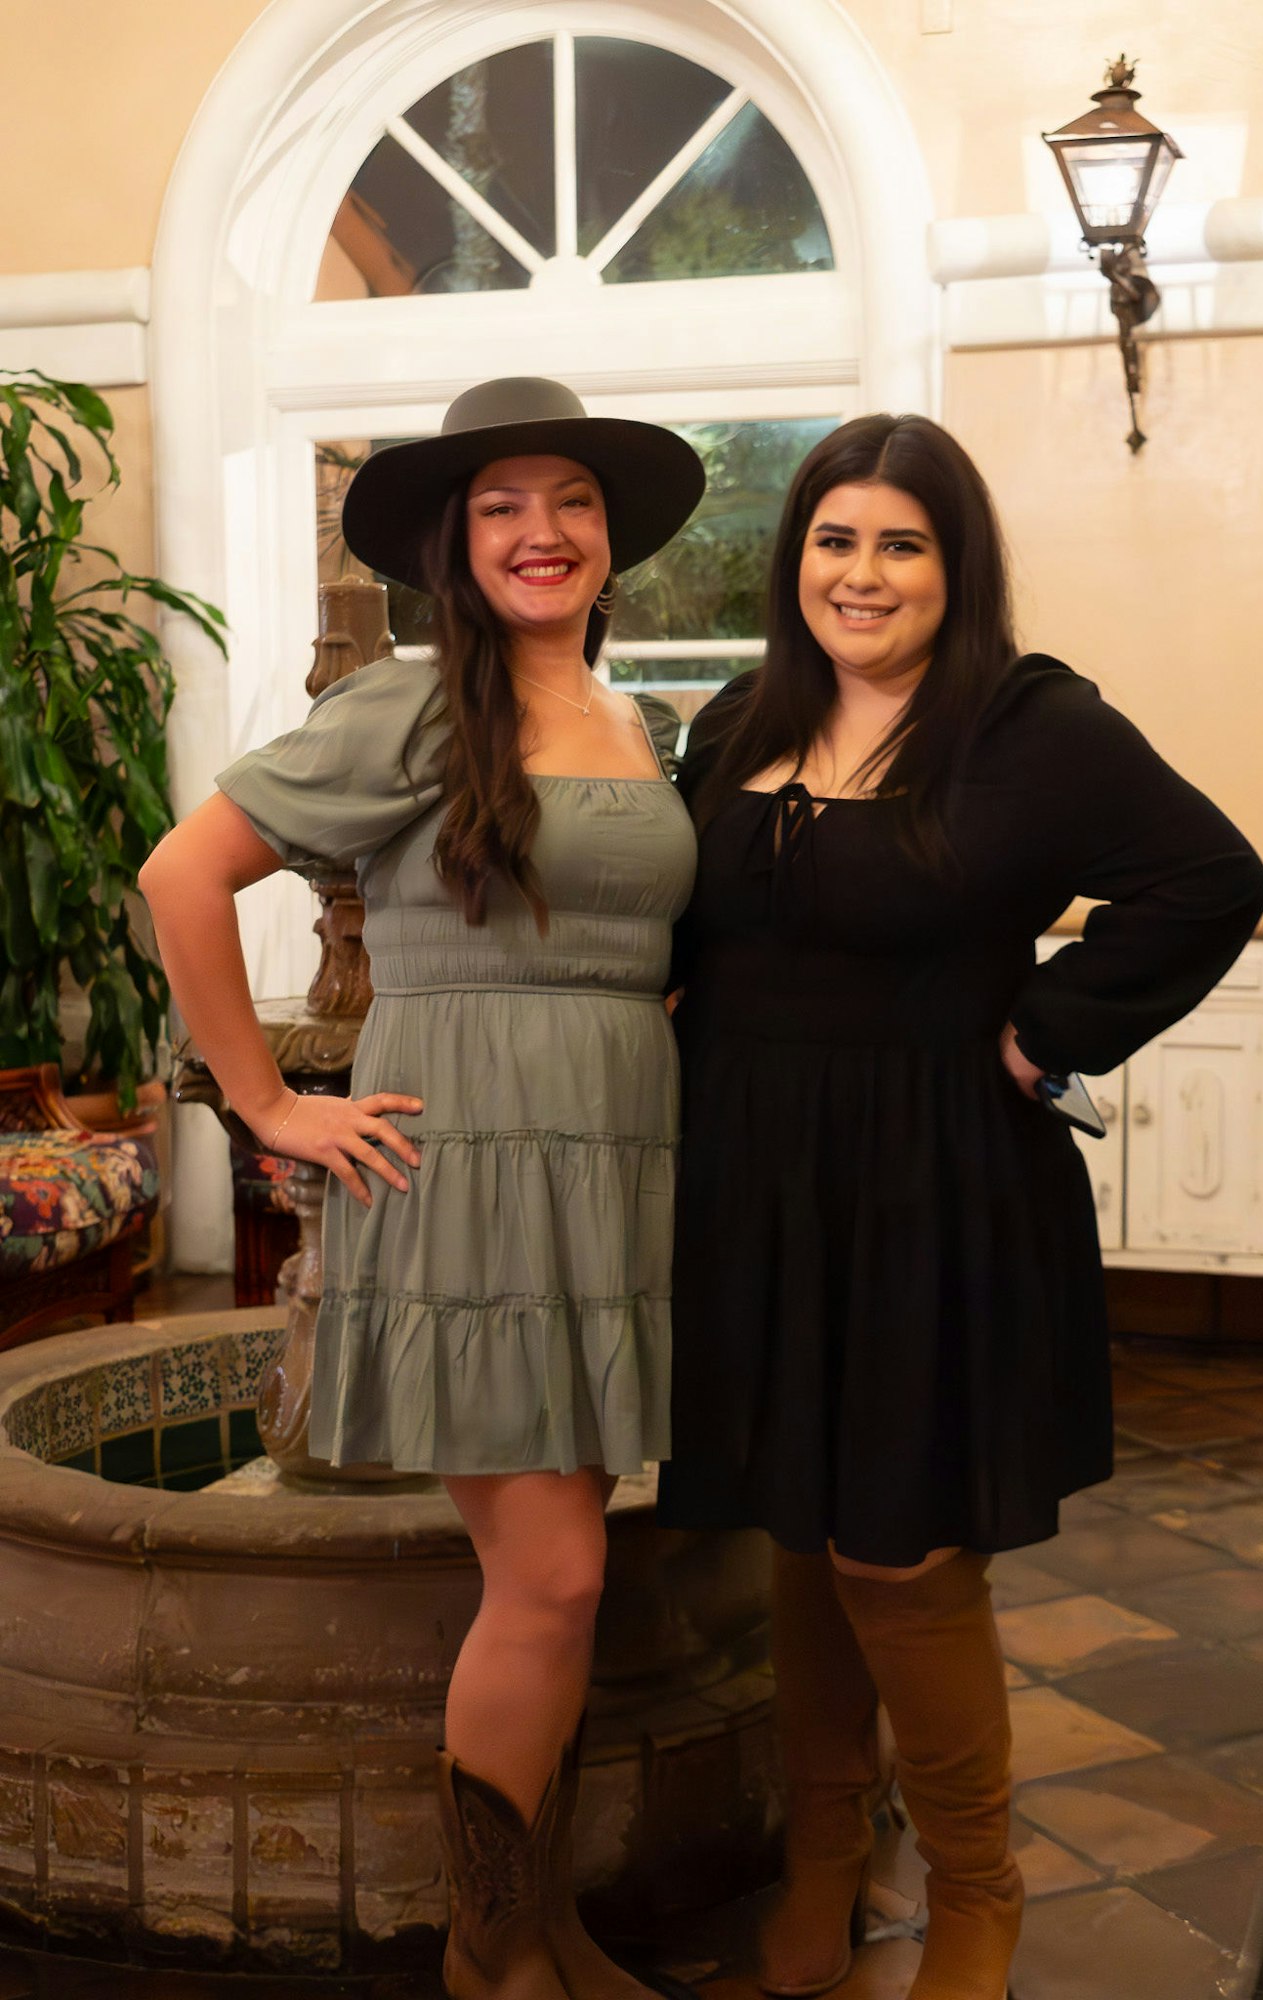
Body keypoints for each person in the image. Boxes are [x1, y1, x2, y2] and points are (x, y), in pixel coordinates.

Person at [655, 413, 1263, 2000]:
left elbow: (1208, 878)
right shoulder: (733, 722)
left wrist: (1046, 1027)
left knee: (898, 1555)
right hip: (755, 1187)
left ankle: (978, 1889)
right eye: (834, 539)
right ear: (793, 558)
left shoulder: (1025, 724)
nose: (861, 574)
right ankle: (826, 1856)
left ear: (954, 565)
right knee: (800, 1535)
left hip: (934, 1190)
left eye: (899, 543)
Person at [140, 377, 705, 2000]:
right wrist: (263, 1106)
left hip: (607, 1163)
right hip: (464, 1167)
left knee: (566, 1575)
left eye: (571, 502)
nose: (544, 532)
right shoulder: (406, 705)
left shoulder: (630, 719)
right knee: (554, 1576)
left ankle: (547, 1925)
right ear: (456, 545)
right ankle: (486, 1951)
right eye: (503, 506)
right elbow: (182, 876)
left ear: (609, 539)